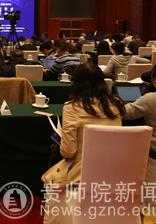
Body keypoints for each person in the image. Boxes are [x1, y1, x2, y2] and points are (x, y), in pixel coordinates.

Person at [42, 64, 124, 222]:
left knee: (51, 179)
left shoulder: (72, 108)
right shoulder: (116, 105)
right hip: (113, 170)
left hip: (82, 174)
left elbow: (68, 152)